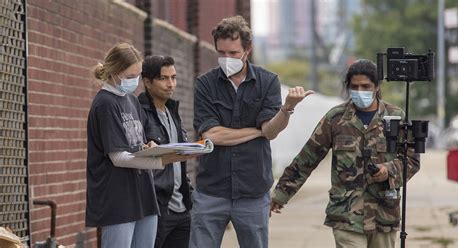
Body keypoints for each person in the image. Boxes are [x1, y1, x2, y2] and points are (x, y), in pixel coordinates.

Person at [270, 59, 421, 248]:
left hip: (383, 215)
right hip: (345, 215)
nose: (360, 91)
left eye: (365, 86)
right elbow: (307, 158)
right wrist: (281, 194)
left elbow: (412, 160)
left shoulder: (396, 117)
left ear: (377, 86)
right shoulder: (335, 118)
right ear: (348, 87)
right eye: (355, 86)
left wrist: (389, 170)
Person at [191, 16, 312, 248]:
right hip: (212, 190)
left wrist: (287, 108)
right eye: (221, 53)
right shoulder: (205, 84)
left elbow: (271, 130)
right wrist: (256, 132)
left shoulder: (267, 82)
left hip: (252, 191)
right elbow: (211, 136)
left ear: (248, 50)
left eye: (233, 53)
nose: (227, 59)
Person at [86, 43, 188, 248]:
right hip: (117, 198)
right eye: (130, 75)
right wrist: (161, 160)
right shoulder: (106, 103)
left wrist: (148, 147)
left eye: (137, 75)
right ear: (114, 72)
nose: (135, 81)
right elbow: (118, 157)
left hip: (143, 195)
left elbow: (135, 144)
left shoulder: (131, 101)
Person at [138, 55, 193, 248]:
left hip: (182, 208)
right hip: (157, 208)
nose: (171, 84)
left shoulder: (172, 112)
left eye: (173, 77)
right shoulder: (138, 113)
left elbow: (179, 159)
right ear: (147, 82)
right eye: (163, 78)